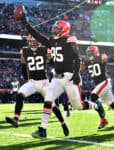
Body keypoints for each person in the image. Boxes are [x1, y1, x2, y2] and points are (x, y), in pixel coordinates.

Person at [14, 5, 100, 138]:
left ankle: (96, 106)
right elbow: (38, 35)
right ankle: (42, 129)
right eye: (54, 28)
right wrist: (26, 22)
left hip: (70, 77)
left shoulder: (69, 40)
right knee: (48, 99)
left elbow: (77, 59)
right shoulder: (52, 41)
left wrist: (77, 73)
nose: (54, 30)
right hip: (57, 77)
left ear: (64, 30)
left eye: (57, 29)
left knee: (78, 106)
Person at [5, 36, 69, 137]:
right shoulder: (25, 51)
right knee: (20, 93)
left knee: (52, 105)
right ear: (28, 42)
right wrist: (26, 77)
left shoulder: (44, 50)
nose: (33, 43)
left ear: (39, 42)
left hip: (44, 82)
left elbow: (54, 56)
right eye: (31, 41)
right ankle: (16, 119)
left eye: (35, 41)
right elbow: (23, 65)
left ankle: (63, 124)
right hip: (32, 82)